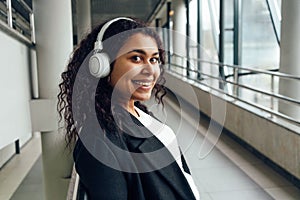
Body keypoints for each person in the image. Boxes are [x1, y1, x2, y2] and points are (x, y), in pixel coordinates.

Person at [58, 17, 200, 200]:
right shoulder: (99, 143)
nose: (150, 70)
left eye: (154, 59)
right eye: (136, 58)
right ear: (102, 66)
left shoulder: (139, 113)